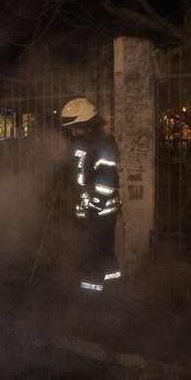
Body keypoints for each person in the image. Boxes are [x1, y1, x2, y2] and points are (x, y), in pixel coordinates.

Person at [61, 97, 121, 292]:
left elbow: (107, 179)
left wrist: (94, 206)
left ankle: (91, 299)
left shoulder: (103, 143)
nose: (73, 132)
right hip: (89, 211)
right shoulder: (83, 142)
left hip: (100, 212)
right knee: (104, 253)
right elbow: (80, 172)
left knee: (93, 255)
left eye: (75, 127)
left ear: (86, 124)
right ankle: (113, 292)